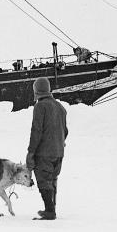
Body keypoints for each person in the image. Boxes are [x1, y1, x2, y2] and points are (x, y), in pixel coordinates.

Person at [26, 77, 68, 221]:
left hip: (44, 152)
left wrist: (31, 152)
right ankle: (52, 207)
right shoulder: (60, 107)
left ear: (36, 90)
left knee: (44, 180)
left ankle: (50, 211)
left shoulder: (40, 106)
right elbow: (65, 131)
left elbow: (36, 131)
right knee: (52, 179)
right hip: (59, 152)